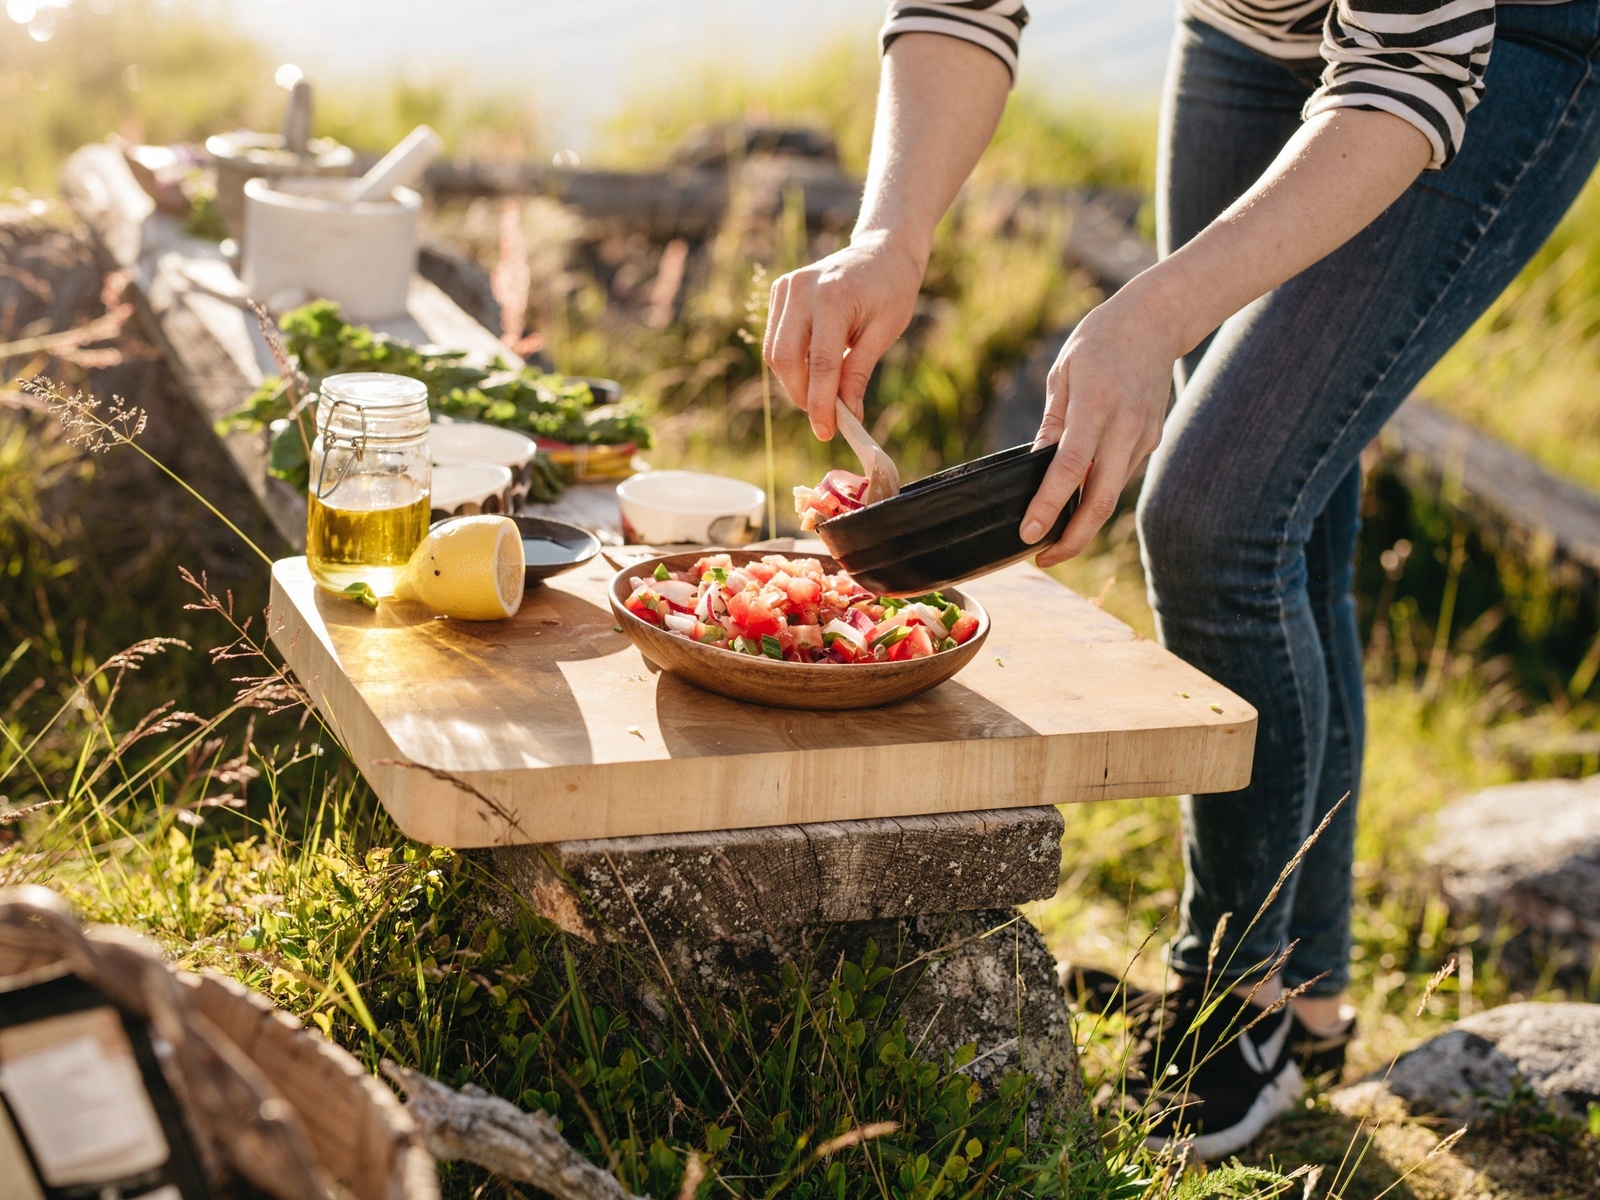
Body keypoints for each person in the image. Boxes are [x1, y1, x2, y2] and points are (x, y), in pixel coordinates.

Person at [764, 0, 1600, 1157]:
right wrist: (888, 238)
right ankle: (1302, 1011)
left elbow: (1408, 66)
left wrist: (1148, 316)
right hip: (1247, 33)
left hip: (1478, 53)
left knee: (1216, 511)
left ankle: (1227, 1004)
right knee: (1291, 507)